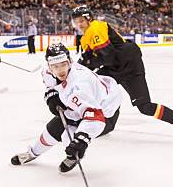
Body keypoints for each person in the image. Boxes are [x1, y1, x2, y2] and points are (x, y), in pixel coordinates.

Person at [71, 5, 173, 144]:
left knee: (145, 106)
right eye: (76, 22)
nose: (79, 25)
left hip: (129, 66)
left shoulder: (96, 28)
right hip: (114, 67)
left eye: (81, 21)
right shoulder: (85, 38)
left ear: (88, 19)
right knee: (97, 88)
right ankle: (106, 125)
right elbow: (87, 64)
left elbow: (108, 57)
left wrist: (88, 61)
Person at [11, 44, 122, 173]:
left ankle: (73, 156)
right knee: (54, 128)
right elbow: (50, 86)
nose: (60, 70)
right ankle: (32, 153)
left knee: (69, 138)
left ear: (70, 62)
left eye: (63, 64)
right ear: (49, 66)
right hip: (85, 104)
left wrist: (82, 140)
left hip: (105, 113)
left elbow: (95, 117)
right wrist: (51, 95)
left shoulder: (79, 85)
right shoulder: (47, 71)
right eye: (55, 66)